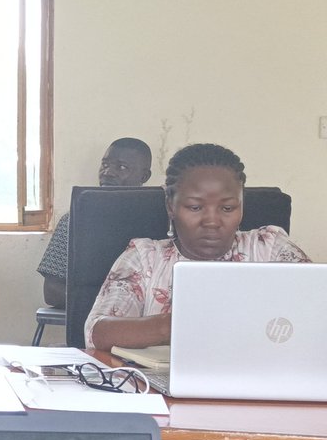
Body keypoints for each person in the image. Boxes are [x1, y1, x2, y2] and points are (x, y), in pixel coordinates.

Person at [85, 142, 309, 350]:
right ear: (170, 205)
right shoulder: (145, 258)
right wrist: (173, 325)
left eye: (228, 208)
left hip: (263, 383)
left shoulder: (268, 247)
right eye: (194, 207)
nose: (211, 221)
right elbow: (97, 333)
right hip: (159, 388)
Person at [38, 137, 152, 308]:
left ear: (144, 176)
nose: (107, 172)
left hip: (145, 321)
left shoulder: (161, 221)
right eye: (105, 164)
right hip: (90, 321)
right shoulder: (73, 220)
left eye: (121, 167)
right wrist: (111, 306)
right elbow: (52, 292)